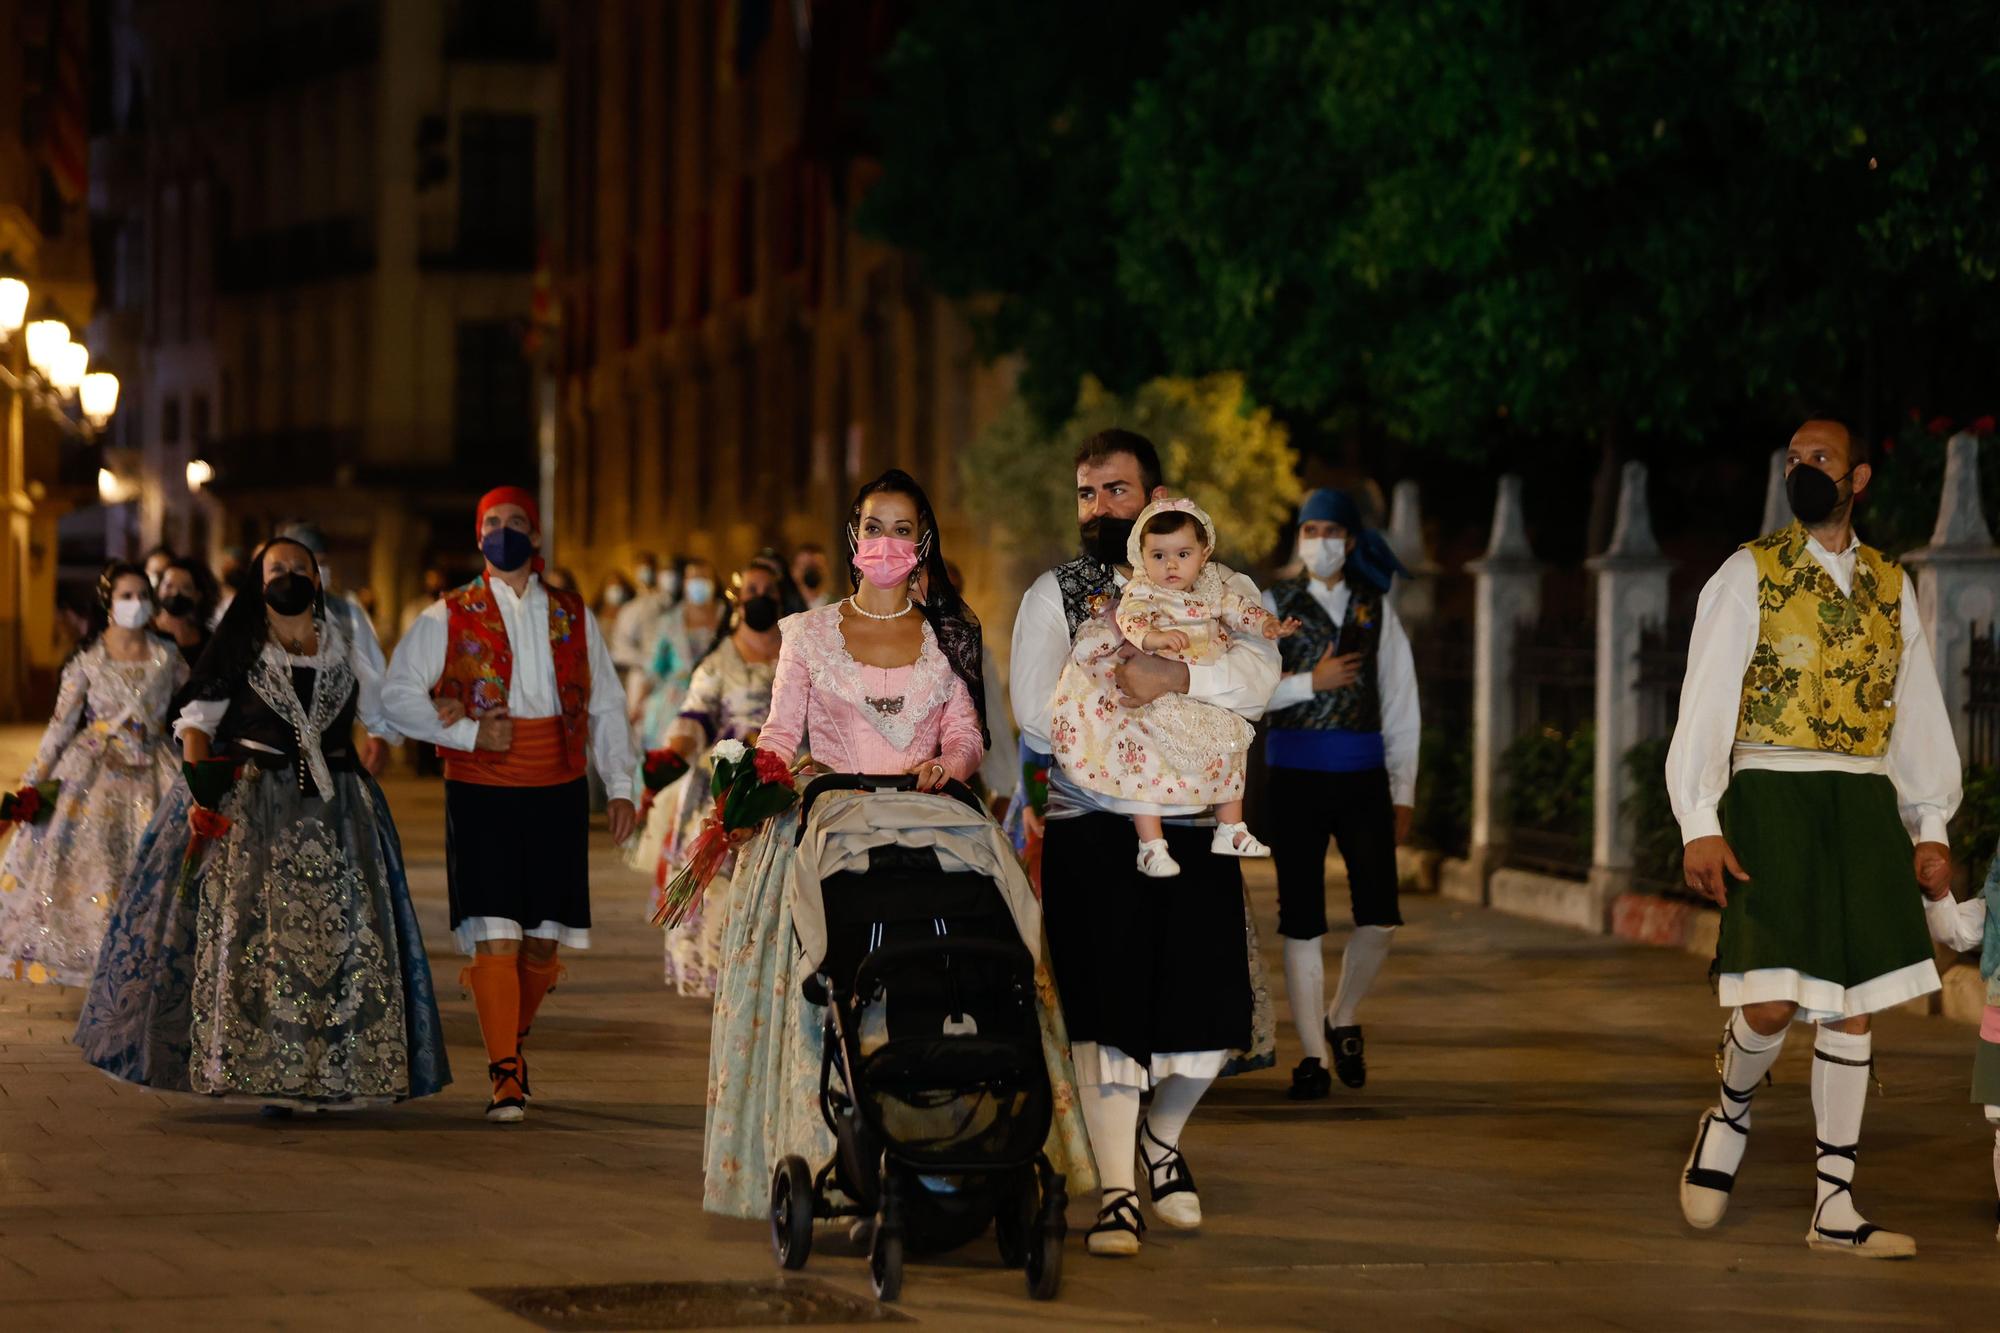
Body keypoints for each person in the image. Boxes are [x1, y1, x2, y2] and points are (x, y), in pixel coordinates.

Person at [702, 468, 1095, 1218]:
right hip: (831, 826)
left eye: (902, 528)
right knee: (831, 984)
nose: (886, 541)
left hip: (931, 821)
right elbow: (782, 734)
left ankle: (972, 1130)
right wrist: (756, 787)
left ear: (923, 543)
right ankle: (835, 1152)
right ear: (854, 538)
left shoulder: (948, 631)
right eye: (874, 526)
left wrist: (949, 763)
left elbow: (968, 732)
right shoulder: (808, 633)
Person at [1667, 419, 1958, 1259]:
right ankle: (1728, 1109)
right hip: (1772, 795)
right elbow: (1705, 704)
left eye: (1819, 459)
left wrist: (1929, 825)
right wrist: (1700, 821)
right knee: (1770, 998)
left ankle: (1835, 1203)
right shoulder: (1747, 573)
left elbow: (1919, 712)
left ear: (1857, 477)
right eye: (1793, 460)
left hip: (1863, 801)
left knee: (1853, 1008)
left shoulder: (1890, 584)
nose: (1802, 470)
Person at [1010, 429, 1278, 1257]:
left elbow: (1263, 679)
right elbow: (1030, 711)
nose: (1100, 508)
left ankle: (1163, 1139)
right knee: (1106, 1009)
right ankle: (1119, 1191)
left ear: (1157, 497)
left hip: (1197, 823)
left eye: (1117, 490)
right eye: (1087, 493)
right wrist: (1117, 710)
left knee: (1207, 1008)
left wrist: (1178, 679)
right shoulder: (1056, 594)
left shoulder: (1221, 583)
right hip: (1095, 822)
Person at [73, 537, 449, 1110]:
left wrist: (439, 716)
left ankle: (328, 1072)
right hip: (256, 806)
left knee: (338, 937)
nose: (290, 575)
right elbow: (198, 719)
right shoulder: (241, 643)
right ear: (258, 578)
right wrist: (200, 791)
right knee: (262, 939)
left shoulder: (346, 647)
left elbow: (384, 712)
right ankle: (262, 1067)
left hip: (338, 807)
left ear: (318, 580)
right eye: (278, 567)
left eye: (300, 568)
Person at [382, 486, 636, 1122]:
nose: (503, 532)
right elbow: (397, 694)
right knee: (495, 932)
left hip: (557, 786)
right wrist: (465, 732)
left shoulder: (574, 614)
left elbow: (605, 703)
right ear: (478, 537)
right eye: (491, 523)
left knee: (542, 942)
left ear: (538, 536)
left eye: (516, 522)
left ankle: (512, 1043)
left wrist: (623, 785)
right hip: (482, 789)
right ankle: (504, 1074)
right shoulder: (448, 614)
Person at [1262, 488, 1418, 1099]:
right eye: (1310, 529)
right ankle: (1312, 1057)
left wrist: (1403, 789)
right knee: (1302, 921)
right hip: (1294, 778)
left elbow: (1403, 704)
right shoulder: (1272, 605)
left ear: (1350, 541)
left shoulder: (1375, 609)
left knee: (1380, 915)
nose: (1319, 540)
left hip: (1363, 778)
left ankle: (1343, 1013)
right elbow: (1246, 692)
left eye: (1331, 530)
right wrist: (1309, 682)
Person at [1049, 497, 1293, 879]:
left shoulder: (1215, 587)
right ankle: (1151, 844)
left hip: (1201, 686)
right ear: (1141, 556)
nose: (1172, 565)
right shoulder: (1145, 592)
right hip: (1155, 691)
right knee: (1143, 756)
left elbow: (1241, 611)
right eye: (1158, 556)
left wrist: (1267, 626)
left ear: (1203, 552)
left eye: (1182, 553)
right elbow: (1133, 621)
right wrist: (1155, 640)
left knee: (1230, 746)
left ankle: (1230, 827)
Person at [0, 563, 184, 987]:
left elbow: (192, 714)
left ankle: (145, 954)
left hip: (156, 767)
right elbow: (60, 727)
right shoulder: (88, 660)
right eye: (126, 596)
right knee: (97, 864)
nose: (136, 604)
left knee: (149, 859)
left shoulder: (168, 657)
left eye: (142, 595)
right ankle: (102, 959)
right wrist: (30, 784)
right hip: (94, 774)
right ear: (108, 602)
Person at [640, 557, 781, 996]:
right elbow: (694, 717)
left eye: (767, 590)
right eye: (751, 589)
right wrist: (672, 753)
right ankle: (722, 977)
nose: (759, 597)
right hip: (726, 786)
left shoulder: (800, 652)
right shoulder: (717, 662)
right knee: (719, 883)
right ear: (737, 598)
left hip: (784, 784)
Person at [276, 522, 396, 777]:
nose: (317, 570)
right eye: (305, 562)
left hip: (332, 751)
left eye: (322, 562)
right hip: (271, 755)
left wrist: (379, 732)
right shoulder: (257, 615)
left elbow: (370, 673)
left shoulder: (346, 613)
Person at [627, 556, 718, 747]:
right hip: (673, 705)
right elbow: (655, 668)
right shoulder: (670, 621)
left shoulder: (727, 618)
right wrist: (637, 706)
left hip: (716, 700)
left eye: (703, 578)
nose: (697, 583)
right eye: (692, 578)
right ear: (684, 582)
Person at [611, 550, 671, 694]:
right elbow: (620, 648)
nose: (646, 572)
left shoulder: (668, 603)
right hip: (641, 675)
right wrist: (647, 661)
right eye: (641, 567)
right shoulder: (630, 609)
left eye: (649, 567)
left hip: (671, 675)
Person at [154, 556, 221, 666]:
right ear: (159, 589)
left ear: (198, 595)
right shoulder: (146, 632)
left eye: (186, 588)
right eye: (169, 586)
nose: (176, 593)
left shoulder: (208, 642)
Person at [790, 542, 832, 610]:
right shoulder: (785, 607)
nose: (811, 572)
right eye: (805, 566)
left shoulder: (840, 605)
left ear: (826, 570)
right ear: (793, 571)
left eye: (817, 567)